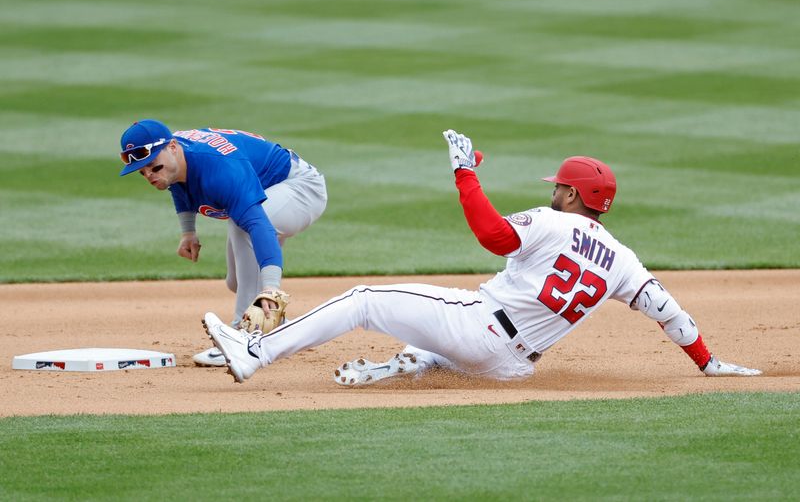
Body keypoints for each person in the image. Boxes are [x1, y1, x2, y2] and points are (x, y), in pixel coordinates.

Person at [203, 129, 760, 385]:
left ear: (572, 196)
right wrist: (709, 362)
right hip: (512, 367)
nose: (554, 191)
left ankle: (257, 351)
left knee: (365, 298)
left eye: (559, 186)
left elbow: (493, 236)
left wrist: (464, 171)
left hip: (482, 330)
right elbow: (671, 314)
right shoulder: (623, 260)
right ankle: (401, 368)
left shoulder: (549, 221)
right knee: (436, 331)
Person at [118, 119, 327, 367]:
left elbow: (258, 226)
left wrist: (271, 288)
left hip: (301, 189)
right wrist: (188, 232)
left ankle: (242, 336)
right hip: (270, 188)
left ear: (173, 147)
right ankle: (279, 329)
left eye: (153, 166)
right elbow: (174, 180)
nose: (150, 175)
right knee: (237, 282)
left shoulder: (221, 170)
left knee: (243, 227)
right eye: (143, 172)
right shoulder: (174, 158)